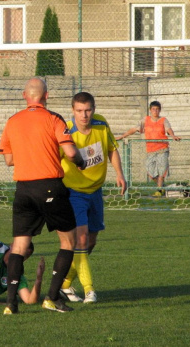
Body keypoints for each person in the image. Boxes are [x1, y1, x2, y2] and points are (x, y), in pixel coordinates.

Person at [0, 78, 86, 314]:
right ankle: (52, 297)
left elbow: (8, 160)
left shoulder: (12, 121)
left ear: (24, 95)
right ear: (46, 96)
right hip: (49, 187)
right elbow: (70, 152)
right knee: (69, 242)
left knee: (18, 246)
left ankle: (10, 304)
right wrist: (81, 161)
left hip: (23, 190)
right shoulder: (53, 119)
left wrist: (30, 152)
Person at [59, 92, 127, 304]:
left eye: (87, 110)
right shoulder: (66, 132)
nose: (84, 115)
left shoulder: (101, 124)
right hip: (73, 193)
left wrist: (119, 174)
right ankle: (89, 290)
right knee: (80, 239)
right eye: (79, 111)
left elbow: (111, 150)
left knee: (90, 241)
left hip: (95, 192)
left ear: (94, 109)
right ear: (73, 111)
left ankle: (64, 284)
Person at [116, 101, 181, 197]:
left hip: (162, 148)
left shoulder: (163, 120)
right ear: (150, 110)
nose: (155, 111)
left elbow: (168, 129)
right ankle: (162, 187)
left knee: (161, 171)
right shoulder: (145, 120)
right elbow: (134, 129)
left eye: (157, 109)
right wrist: (122, 136)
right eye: (153, 109)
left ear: (160, 110)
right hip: (150, 150)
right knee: (150, 170)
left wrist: (173, 135)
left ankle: (159, 191)